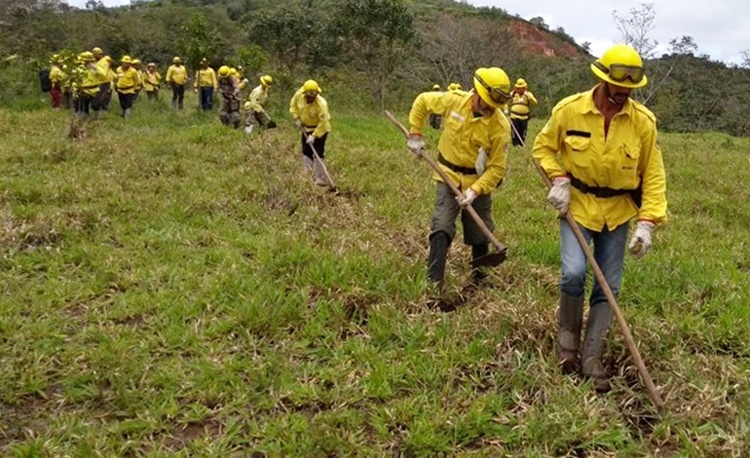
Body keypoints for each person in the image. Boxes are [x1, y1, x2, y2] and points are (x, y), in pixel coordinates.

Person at [532, 44, 667, 392]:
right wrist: (559, 180)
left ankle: (592, 356)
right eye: (618, 87)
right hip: (576, 206)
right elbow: (543, 147)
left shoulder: (643, 123)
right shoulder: (570, 110)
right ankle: (567, 347)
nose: (623, 94)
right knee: (574, 273)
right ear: (603, 79)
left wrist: (648, 223)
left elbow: (652, 173)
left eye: (630, 90)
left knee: (610, 285)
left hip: (618, 212)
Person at [406, 67, 512, 286]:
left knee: (480, 230)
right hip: (448, 175)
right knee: (441, 224)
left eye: (494, 106)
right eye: (485, 102)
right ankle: (435, 281)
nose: (489, 108)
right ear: (475, 91)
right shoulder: (454, 101)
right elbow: (422, 102)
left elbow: (497, 169)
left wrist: (475, 191)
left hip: (478, 180)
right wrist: (415, 133)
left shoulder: (500, 126)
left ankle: (479, 277)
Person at [289, 80, 331, 186]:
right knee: (306, 152)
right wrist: (296, 118)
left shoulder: (322, 104)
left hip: (320, 129)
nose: (311, 99)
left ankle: (320, 179)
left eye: (313, 97)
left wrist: (314, 136)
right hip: (305, 128)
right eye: (309, 97)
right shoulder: (298, 95)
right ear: (304, 94)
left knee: (318, 153)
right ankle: (307, 176)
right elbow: (293, 106)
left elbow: (323, 123)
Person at [74, 51, 105, 119]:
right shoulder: (79, 69)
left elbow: (103, 76)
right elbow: (75, 80)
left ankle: (96, 119)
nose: (86, 62)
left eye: (88, 61)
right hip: (83, 90)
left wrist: (95, 68)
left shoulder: (95, 67)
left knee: (95, 105)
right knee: (84, 106)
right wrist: (75, 89)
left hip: (94, 89)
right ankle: (84, 120)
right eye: (85, 61)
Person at [509, 78, 538, 146]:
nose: (520, 89)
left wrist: (527, 95)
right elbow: (507, 102)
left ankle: (521, 143)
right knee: (514, 130)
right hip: (514, 116)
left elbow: (534, 102)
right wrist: (506, 110)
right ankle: (515, 144)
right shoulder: (512, 94)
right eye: (519, 88)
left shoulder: (528, 95)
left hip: (524, 117)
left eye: (522, 88)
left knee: (523, 131)